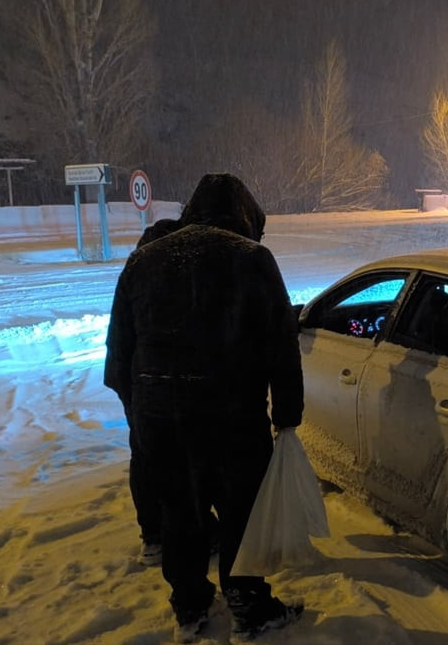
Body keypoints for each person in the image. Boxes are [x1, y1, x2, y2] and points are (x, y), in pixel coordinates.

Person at [104, 173, 304, 642]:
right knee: (239, 511)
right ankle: (248, 605)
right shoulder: (252, 259)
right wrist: (287, 416)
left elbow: (119, 350)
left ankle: (190, 605)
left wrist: (141, 415)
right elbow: (281, 344)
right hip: (230, 415)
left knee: (179, 510)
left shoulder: (144, 259)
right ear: (245, 216)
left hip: (160, 419)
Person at [123, 216, 220, 568]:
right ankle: (174, 535)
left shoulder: (138, 276)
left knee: (147, 460)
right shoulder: (172, 284)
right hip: (153, 389)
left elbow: (118, 344)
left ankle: (155, 537)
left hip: (139, 387)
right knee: (173, 467)